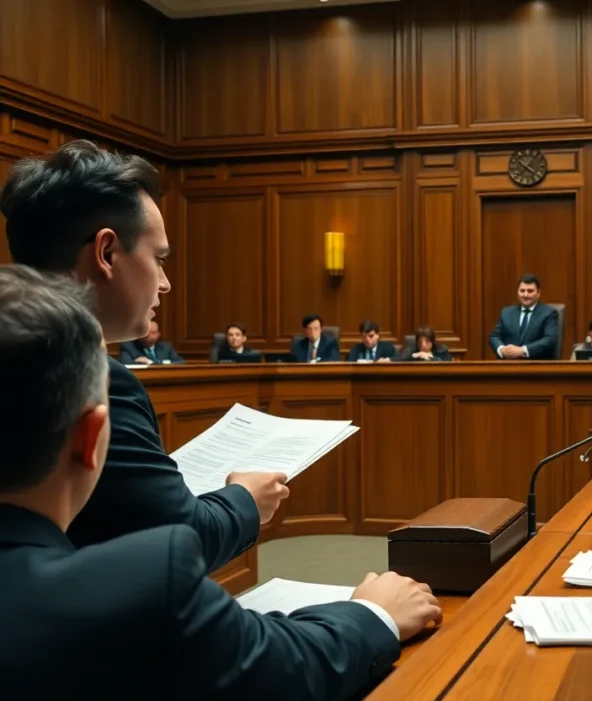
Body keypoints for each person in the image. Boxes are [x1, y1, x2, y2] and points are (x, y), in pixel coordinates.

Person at [0, 265, 443, 699]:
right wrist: (372, 612)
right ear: (91, 438)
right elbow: (285, 668)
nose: (165, 279)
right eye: (158, 258)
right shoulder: (140, 586)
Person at [1, 140, 287, 573]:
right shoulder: (94, 380)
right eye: (159, 259)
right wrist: (246, 499)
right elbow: (177, 540)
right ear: (107, 253)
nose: (166, 284)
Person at [489, 273, 561, 360]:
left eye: (530, 291)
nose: (525, 295)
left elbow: (550, 339)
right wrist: (502, 349)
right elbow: (494, 337)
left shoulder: (549, 313)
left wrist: (523, 350)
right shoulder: (506, 312)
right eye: (522, 291)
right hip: (508, 366)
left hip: (537, 367)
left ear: (538, 293)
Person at [118, 320, 184, 365]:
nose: (149, 335)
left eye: (153, 332)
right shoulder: (128, 346)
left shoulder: (166, 347)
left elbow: (180, 362)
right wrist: (136, 362)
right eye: (147, 332)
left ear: (158, 334)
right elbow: (124, 363)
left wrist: (151, 362)